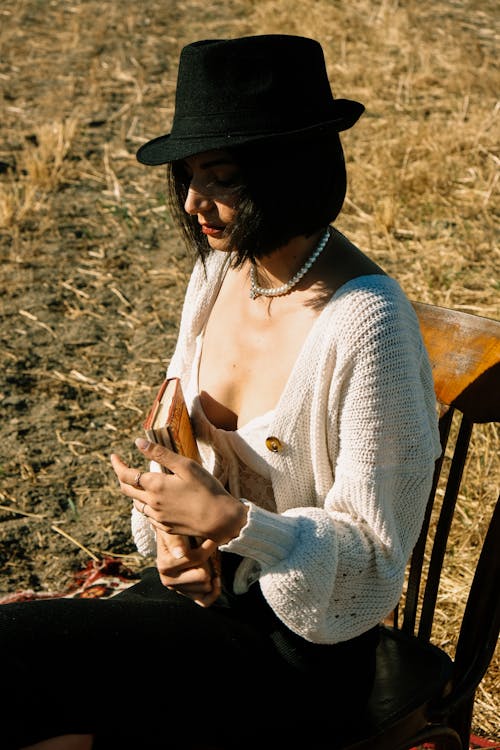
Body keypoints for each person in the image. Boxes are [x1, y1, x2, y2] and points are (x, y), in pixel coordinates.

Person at [0, 35, 442, 750]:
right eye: (186, 178)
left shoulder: (369, 323)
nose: (195, 203)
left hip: (305, 646)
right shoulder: (218, 273)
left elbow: (375, 558)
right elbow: (176, 429)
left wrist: (235, 523)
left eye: (224, 177)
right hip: (206, 597)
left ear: (290, 170)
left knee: (21, 659)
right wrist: (178, 534)